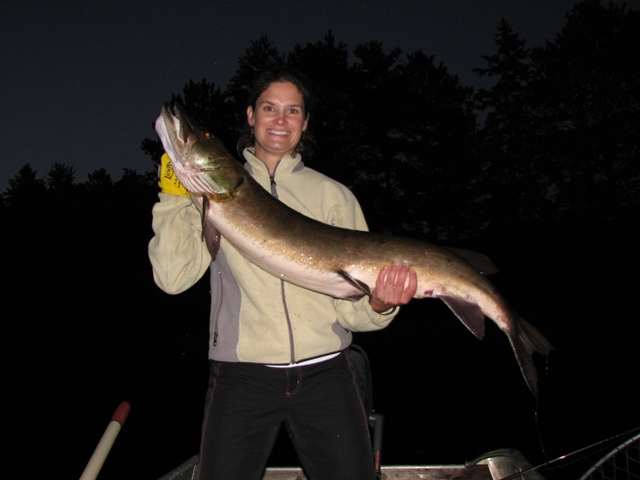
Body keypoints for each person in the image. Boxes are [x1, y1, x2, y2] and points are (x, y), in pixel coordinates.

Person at [148, 68, 417, 480]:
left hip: (326, 374)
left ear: (305, 123)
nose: (280, 120)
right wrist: (173, 196)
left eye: (293, 111)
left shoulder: (334, 196)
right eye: (269, 108)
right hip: (242, 376)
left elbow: (353, 312)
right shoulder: (207, 196)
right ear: (251, 115)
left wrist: (380, 305)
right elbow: (173, 278)